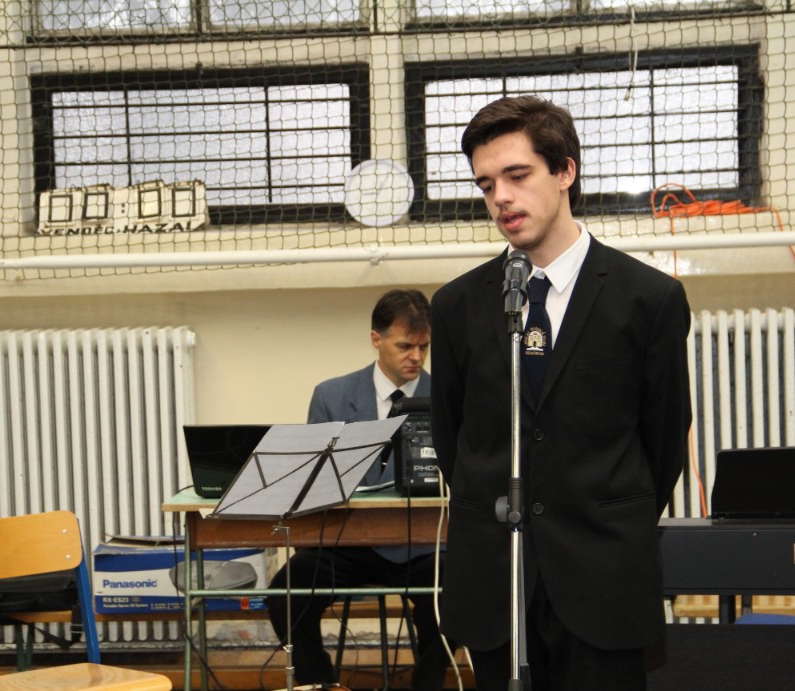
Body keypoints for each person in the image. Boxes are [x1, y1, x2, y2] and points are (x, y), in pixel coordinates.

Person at [429, 95, 692, 690]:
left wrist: (601, 517)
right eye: (486, 184)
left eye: (517, 175)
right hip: (498, 583)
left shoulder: (647, 300)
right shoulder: (456, 306)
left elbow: (663, 443)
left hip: (603, 578)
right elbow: (454, 441)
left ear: (565, 170)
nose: (501, 197)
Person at [267, 288, 453, 691]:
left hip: (424, 548)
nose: (416, 357)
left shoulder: (447, 395)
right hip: (346, 544)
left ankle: (428, 684)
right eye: (404, 346)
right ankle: (321, 683)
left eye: (423, 347)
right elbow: (314, 483)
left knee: (455, 590)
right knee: (285, 592)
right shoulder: (331, 396)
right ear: (376, 340)